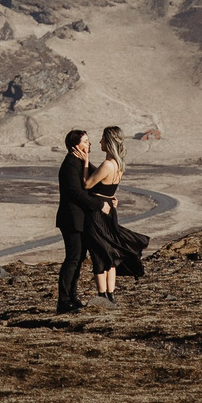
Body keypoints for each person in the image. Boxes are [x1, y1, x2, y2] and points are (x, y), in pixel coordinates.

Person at [86, 125, 150, 300]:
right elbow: (109, 190)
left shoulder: (107, 164)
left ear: (109, 141)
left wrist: (85, 162)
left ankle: (102, 295)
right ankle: (111, 294)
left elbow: (87, 184)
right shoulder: (119, 165)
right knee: (110, 251)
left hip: (98, 213)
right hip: (110, 210)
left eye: (102, 138)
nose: (100, 141)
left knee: (99, 253)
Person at [53, 128, 105, 312]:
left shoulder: (80, 162)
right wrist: (99, 204)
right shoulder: (70, 164)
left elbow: (96, 178)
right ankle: (63, 300)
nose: (89, 144)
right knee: (73, 258)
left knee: (79, 257)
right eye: (85, 141)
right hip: (71, 219)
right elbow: (76, 193)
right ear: (75, 146)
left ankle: (72, 296)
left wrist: (87, 160)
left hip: (80, 219)